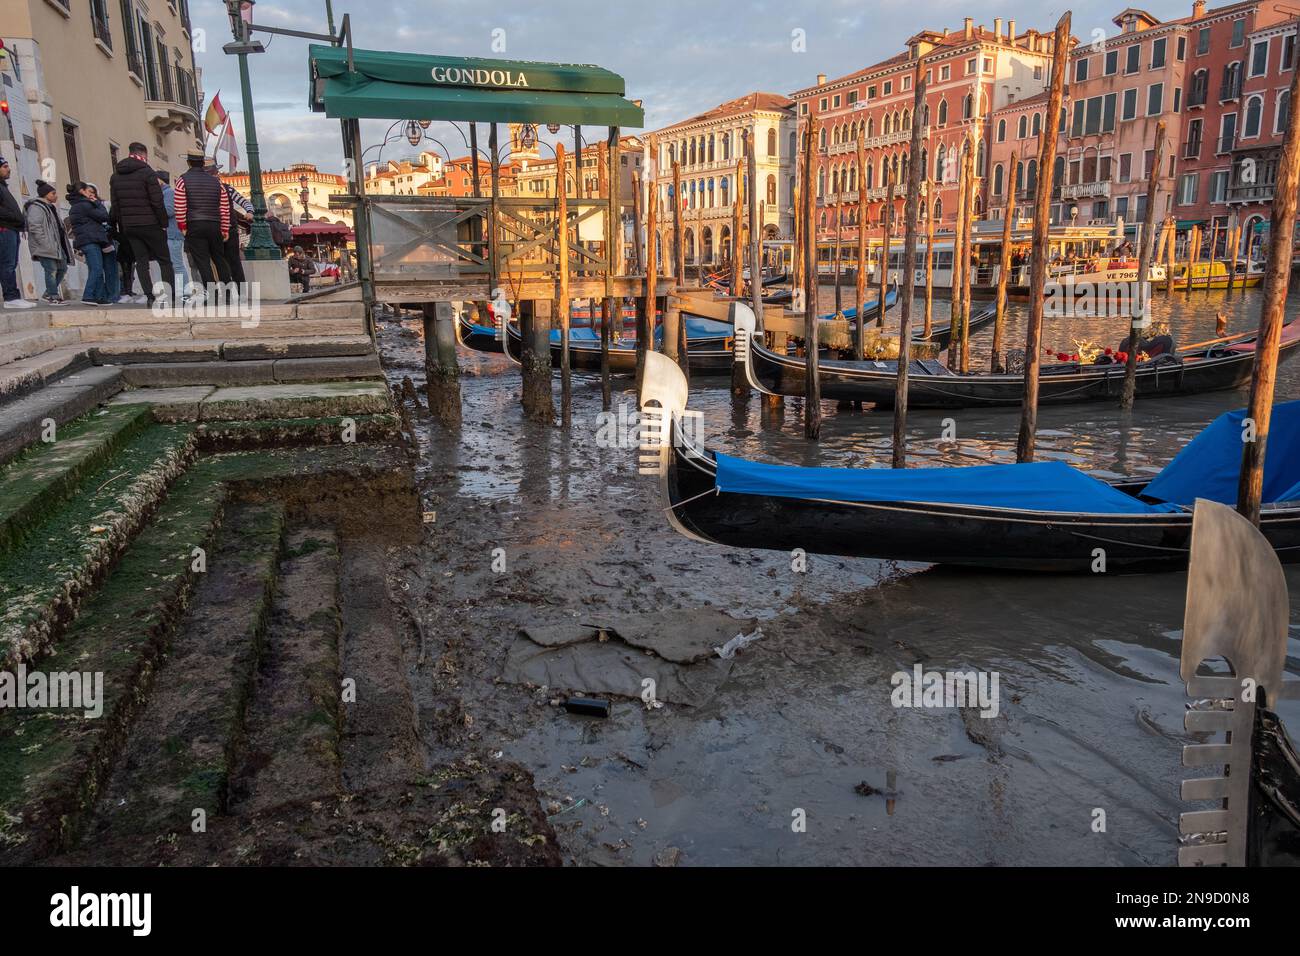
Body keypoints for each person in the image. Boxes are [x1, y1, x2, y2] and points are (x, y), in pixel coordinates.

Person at [108, 142, 175, 305]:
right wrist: (163, 222)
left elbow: (115, 205)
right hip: (151, 223)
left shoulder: (115, 176)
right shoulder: (148, 173)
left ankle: (150, 297)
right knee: (164, 261)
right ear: (144, 154)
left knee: (141, 262)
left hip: (130, 226)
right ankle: (168, 296)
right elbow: (157, 201)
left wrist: (119, 226)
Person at [174, 151, 232, 298]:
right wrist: (225, 228)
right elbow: (224, 207)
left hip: (194, 224)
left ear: (188, 162)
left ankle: (212, 294)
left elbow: (180, 206)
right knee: (219, 258)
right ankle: (228, 293)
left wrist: (183, 226)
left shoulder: (182, 180)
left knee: (203, 261)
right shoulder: (216, 181)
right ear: (203, 163)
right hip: (214, 224)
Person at [66, 182, 118, 305]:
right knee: (96, 268)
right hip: (90, 240)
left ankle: (99, 297)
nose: (91, 193)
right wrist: (97, 203)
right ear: (82, 191)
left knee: (96, 268)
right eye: (88, 190)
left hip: (88, 240)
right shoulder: (85, 205)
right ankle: (88, 295)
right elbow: (104, 216)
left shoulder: (76, 205)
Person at [23, 180, 72, 305]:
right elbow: (34, 226)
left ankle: (48, 293)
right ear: (45, 194)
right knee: (51, 270)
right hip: (45, 246)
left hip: (56, 246)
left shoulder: (50, 207)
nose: (56, 196)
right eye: (53, 193)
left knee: (62, 268)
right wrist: (44, 243)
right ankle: (53, 296)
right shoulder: (36, 207)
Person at [207, 159, 252, 285]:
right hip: (221, 229)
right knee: (226, 261)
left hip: (226, 229)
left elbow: (245, 202)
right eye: (215, 173)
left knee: (230, 261)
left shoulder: (227, 189)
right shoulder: (220, 189)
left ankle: (235, 291)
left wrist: (249, 212)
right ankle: (234, 291)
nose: (217, 175)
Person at [0, 156, 35, 310]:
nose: (9, 169)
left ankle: (12, 296)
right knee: (7, 264)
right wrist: (14, 217)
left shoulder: (3, 187)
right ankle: (11, 297)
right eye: (5, 166)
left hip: (12, 228)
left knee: (11, 264)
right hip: (5, 228)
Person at [157, 170, 190, 297]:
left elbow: (169, 211)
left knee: (177, 264)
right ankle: (181, 291)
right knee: (174, 264)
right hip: (171, 234)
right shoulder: (165, 193)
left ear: (160, 180)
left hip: (173, 234)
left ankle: (184, 291)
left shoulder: (169, 193)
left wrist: (155, 210)